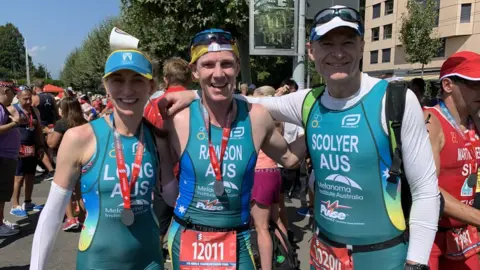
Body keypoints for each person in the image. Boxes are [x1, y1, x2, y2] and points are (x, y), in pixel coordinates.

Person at [158, 7, 441, 269]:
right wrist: (194, 94)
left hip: (382, 254)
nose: (338, 53)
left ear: (362, 46)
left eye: (347, 42)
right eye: (327, 44)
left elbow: (427, 191)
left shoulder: (396, 100)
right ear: (312, 50)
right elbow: (245, 99)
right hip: (324, 253)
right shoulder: (309, 101)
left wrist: (417, 262)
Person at [163, 28, 305, 270]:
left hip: (238, 239)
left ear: (238, 68)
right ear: (195, 71)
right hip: (187, 236)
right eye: (208, 65)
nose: (218, 74)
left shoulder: (256, 118)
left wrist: (316, 126)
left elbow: (289, 159)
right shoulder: (177, 119)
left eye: (226, 64)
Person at [30, 44, 174, 269]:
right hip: (98, 262)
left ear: (151, 86)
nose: (127, 90)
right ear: (106, 86)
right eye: (117, 80)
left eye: (137, 80)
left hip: (150, 261)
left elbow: (176, 199)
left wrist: (194, 95)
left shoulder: (159, 138)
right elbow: (53, 212)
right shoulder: (80, 138)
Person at [423, 51, 480, 270]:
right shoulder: (430, 122)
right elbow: (428, 190)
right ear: (448, 85)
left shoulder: (475, 120)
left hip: (464, 235)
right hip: (430, 236)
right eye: (474, 83)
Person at [144, 56, 192, 261]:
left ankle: (154, 259)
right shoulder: (199, 103)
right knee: (193, 224)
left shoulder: (152, 105)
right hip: (196, 174)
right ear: (189, 79)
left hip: (162, 174)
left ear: (165, 79)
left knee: (160, 223)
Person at [251, 86, 289, 269]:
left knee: (261, 227)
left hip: (259, 173)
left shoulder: (259, 119)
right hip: (273, 171)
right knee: (276, 218)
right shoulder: (277, 120)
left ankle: (267, 266)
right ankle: (287, 257)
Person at [46, 97, 88, 231]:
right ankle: (83, 218)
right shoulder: (85, 122)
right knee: (80, 191)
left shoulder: (62, 123)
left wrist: (49, 133)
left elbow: (52, 143)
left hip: (66, 161)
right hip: (84, 160)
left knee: (66, 190)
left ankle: (70, 219)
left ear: (64, 109)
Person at [10, 87, 46, 217]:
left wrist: (41, 146)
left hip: (32, 147)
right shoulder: (13, 109)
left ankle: (28, 202)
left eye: (30, 98)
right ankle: (15, 205)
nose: (28, 101)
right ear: (18, 97)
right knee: (18, 178)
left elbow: (38, 130)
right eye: (25, 98)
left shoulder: (35, 110)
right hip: (18, 148)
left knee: (30, 176)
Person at [0, 83, 24, 236]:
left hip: (7, 156)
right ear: (6, 92)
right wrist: (15, 122)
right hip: (3, 157)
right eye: (13, 94)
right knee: (1, 194)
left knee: (2, 194)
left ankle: (1, 221)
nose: (14, 97)